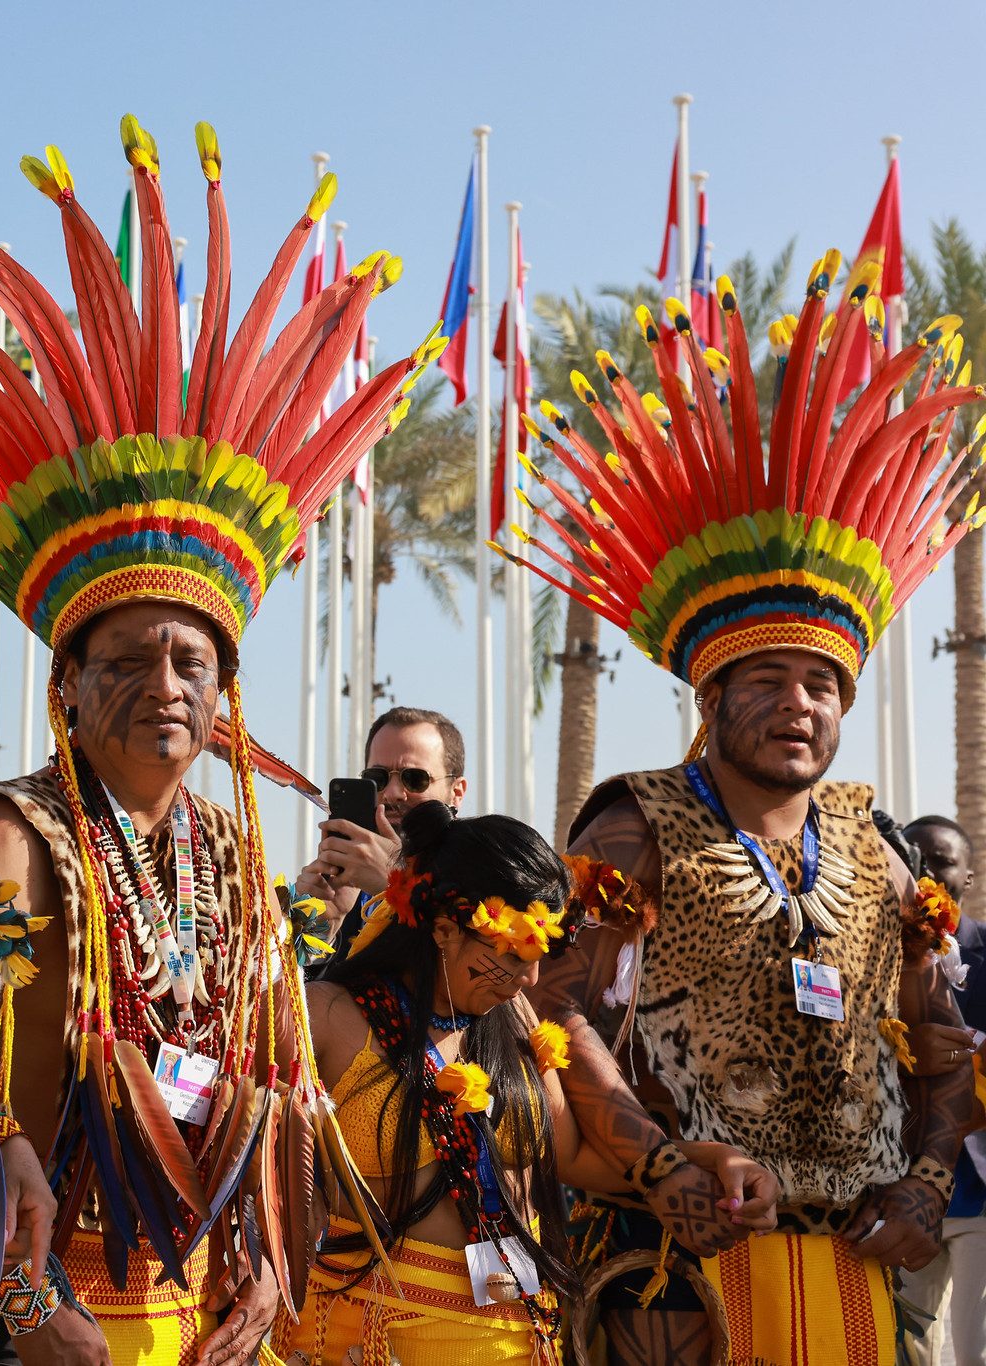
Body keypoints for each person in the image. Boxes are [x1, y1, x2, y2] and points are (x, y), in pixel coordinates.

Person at [0, 116, 443, 1364]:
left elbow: (278, 1089)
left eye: (193, 661)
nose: (165, 685)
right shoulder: (3, 838)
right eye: (126, 660)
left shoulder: (229, 851)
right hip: (36, 1319)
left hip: (194, 1315)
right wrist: (24, 1308)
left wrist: (262, 1275)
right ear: (66, 683)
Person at [496, 254, 981, 1364]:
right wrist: (664, 1168)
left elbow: (938, 1043)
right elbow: (556, 1018)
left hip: (849, 1268)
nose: (795, 705)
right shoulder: (635, 823)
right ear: (708, 695)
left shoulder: (877, 851)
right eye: (763, 680)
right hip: (679, 1272)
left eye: (819, 684)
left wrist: (919, 1186)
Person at [299, 801, 775, 1363]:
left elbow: (571, 1157)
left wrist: (712, 1160)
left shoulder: (514, 1018)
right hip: (368, 1341)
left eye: (544, 955)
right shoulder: (325, 1016)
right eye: (514, 953)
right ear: (446, 931)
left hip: (521, 1338)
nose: (532, 978)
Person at [898, 816, 986, 1366]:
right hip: (902, 1190)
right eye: (917, 860)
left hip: (980, 1191)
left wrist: (967, 1047)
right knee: (904, 1350)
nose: (929, 873)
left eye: (943, 862)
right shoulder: (874, 958)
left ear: (968, 878)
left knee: (975, 1350)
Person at [305, 706, 470, 955]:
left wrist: (396, 885)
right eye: (378, 777)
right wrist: (322, 929)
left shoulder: (484, 869)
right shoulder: (350, 886)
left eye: (415, 778)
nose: (392, 793)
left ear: (456, 792)